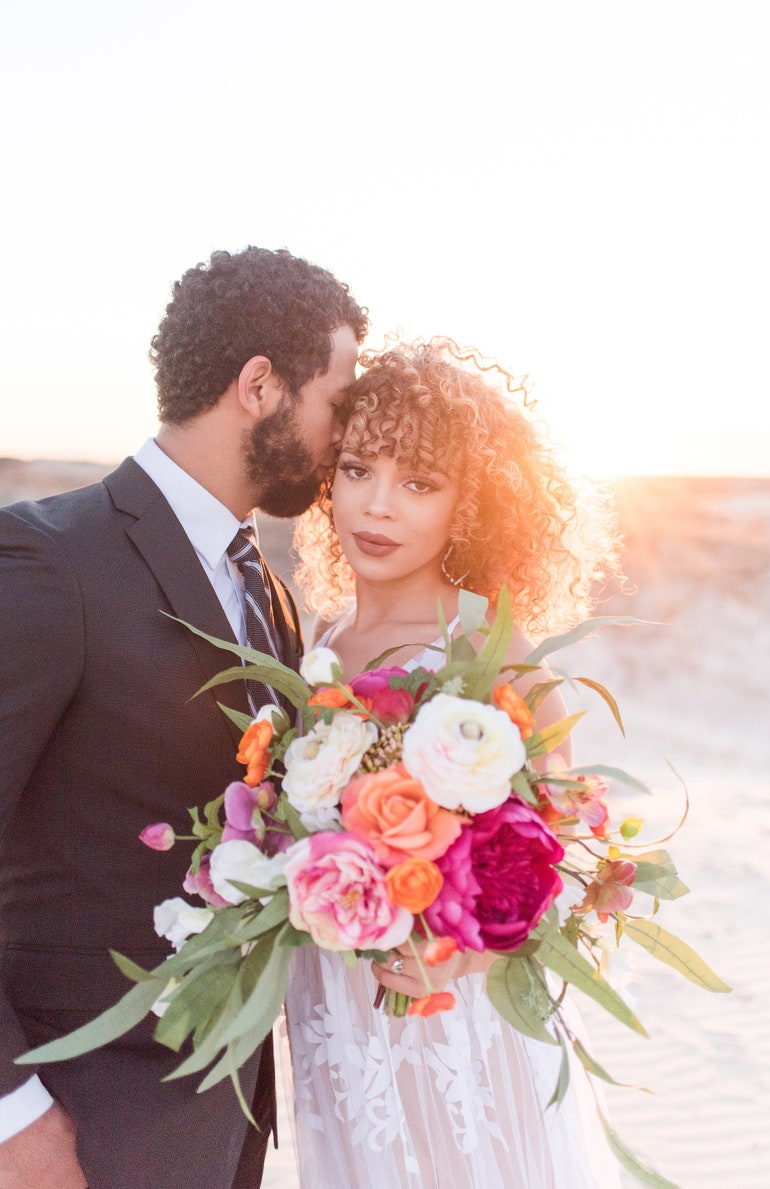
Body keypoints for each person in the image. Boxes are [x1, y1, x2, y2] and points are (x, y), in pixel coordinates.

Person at [0, 246, 367, 1189]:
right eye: (337, 397)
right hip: (78, 1121)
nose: (342, 433)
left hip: (223, 1121)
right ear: (259, 386)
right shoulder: (53, 560)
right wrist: (13, 1118)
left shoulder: (270, 593)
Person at [285, 338, 623, 1187]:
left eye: (420, 483)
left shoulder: (492, 647)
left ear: (469, 507)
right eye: (359, 469)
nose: (379, 506)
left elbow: (570, 863)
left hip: (461, 1026)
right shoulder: (312, 649)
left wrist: (472, 952)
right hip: (345, 1023)